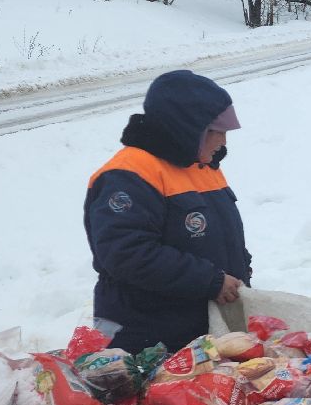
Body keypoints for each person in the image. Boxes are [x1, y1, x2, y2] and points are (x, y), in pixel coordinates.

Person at [84, 69, 251, 354]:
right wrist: (211, 280)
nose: (223, 141)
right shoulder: (128, 175)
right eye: (218, 131)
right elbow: (126, 253)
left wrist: (240, 272)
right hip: (148, 339)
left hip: (201, 332)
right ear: (189, 128)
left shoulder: (201, 166)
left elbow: (220, 236)